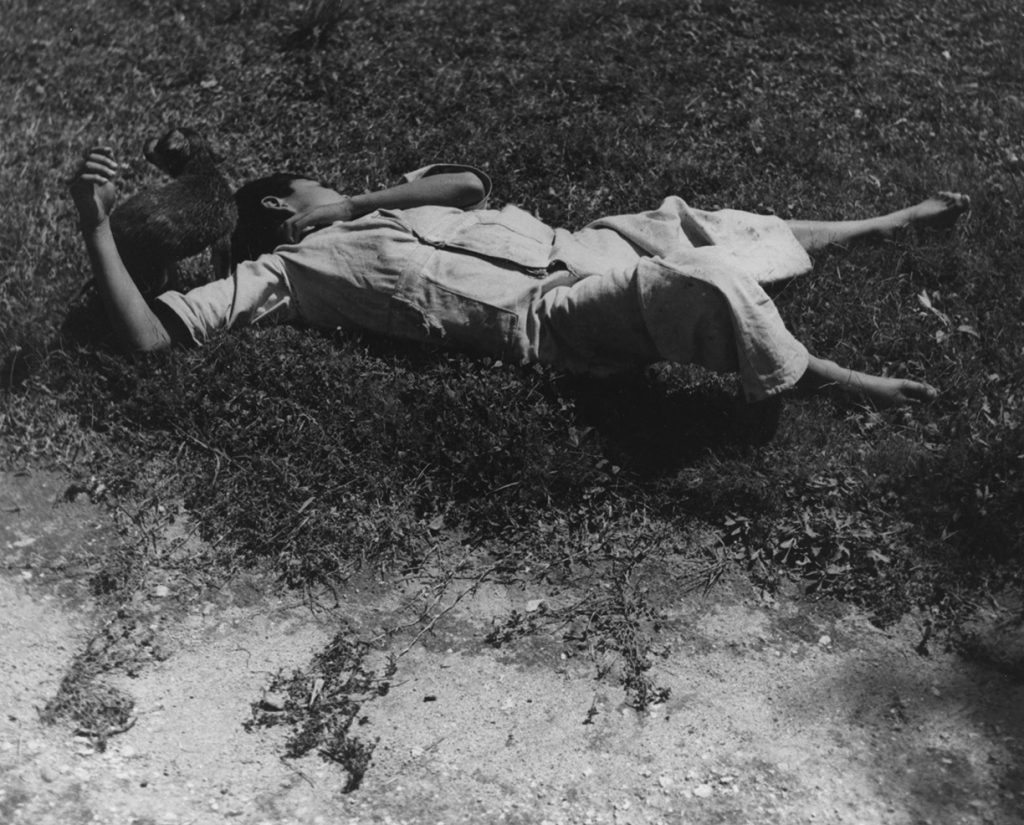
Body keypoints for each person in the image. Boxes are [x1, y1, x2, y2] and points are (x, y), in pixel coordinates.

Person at [69, 145, 969, 409]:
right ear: (280, 206)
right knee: (697, 279)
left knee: (705, 222)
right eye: (314, 184)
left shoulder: (374, 206)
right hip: (552, 312)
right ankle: (823, 377)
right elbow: (149, 339)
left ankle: (879, 225)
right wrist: (95, 227)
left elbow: (468, 183)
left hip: (588, 243)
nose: (329, 185)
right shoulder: (286, 271)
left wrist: (358, 202)